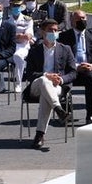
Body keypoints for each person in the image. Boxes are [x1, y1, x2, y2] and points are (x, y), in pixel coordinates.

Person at [23, 19, 76, 151]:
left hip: (57, 86)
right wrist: (46, 75)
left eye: (55, 30)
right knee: (44, 81)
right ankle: (58, 109)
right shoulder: (34, 50)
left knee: (45, 96)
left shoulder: (65, 49)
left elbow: (73, 72)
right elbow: (29, 74)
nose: (53, 32)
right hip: (36, 85)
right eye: (50, 30)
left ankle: (39, 135)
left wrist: (61, 80)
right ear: (42, 32)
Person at [58, 9, 92, 124]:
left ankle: (90, 113)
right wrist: (76, 66)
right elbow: (61, 58)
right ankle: (65, 113)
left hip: (87, 69)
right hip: (71, 70)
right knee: (62, 79)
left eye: (83, 18)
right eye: (78, 19)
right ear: (72, 21)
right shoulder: (64, 36)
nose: (82, 21)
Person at [7, 0, 34, 90]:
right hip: (9, 46)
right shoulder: (6, 21)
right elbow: (4, 38)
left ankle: (18, 83)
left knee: (18, 56)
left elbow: (28, 36)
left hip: (23, 46)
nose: (16, 8)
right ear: (10, 6)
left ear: (21, 6)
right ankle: (0, 84)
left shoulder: (28, 20)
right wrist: (19, 35)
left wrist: (14, 36)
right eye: (14, 6)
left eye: (18, 6)